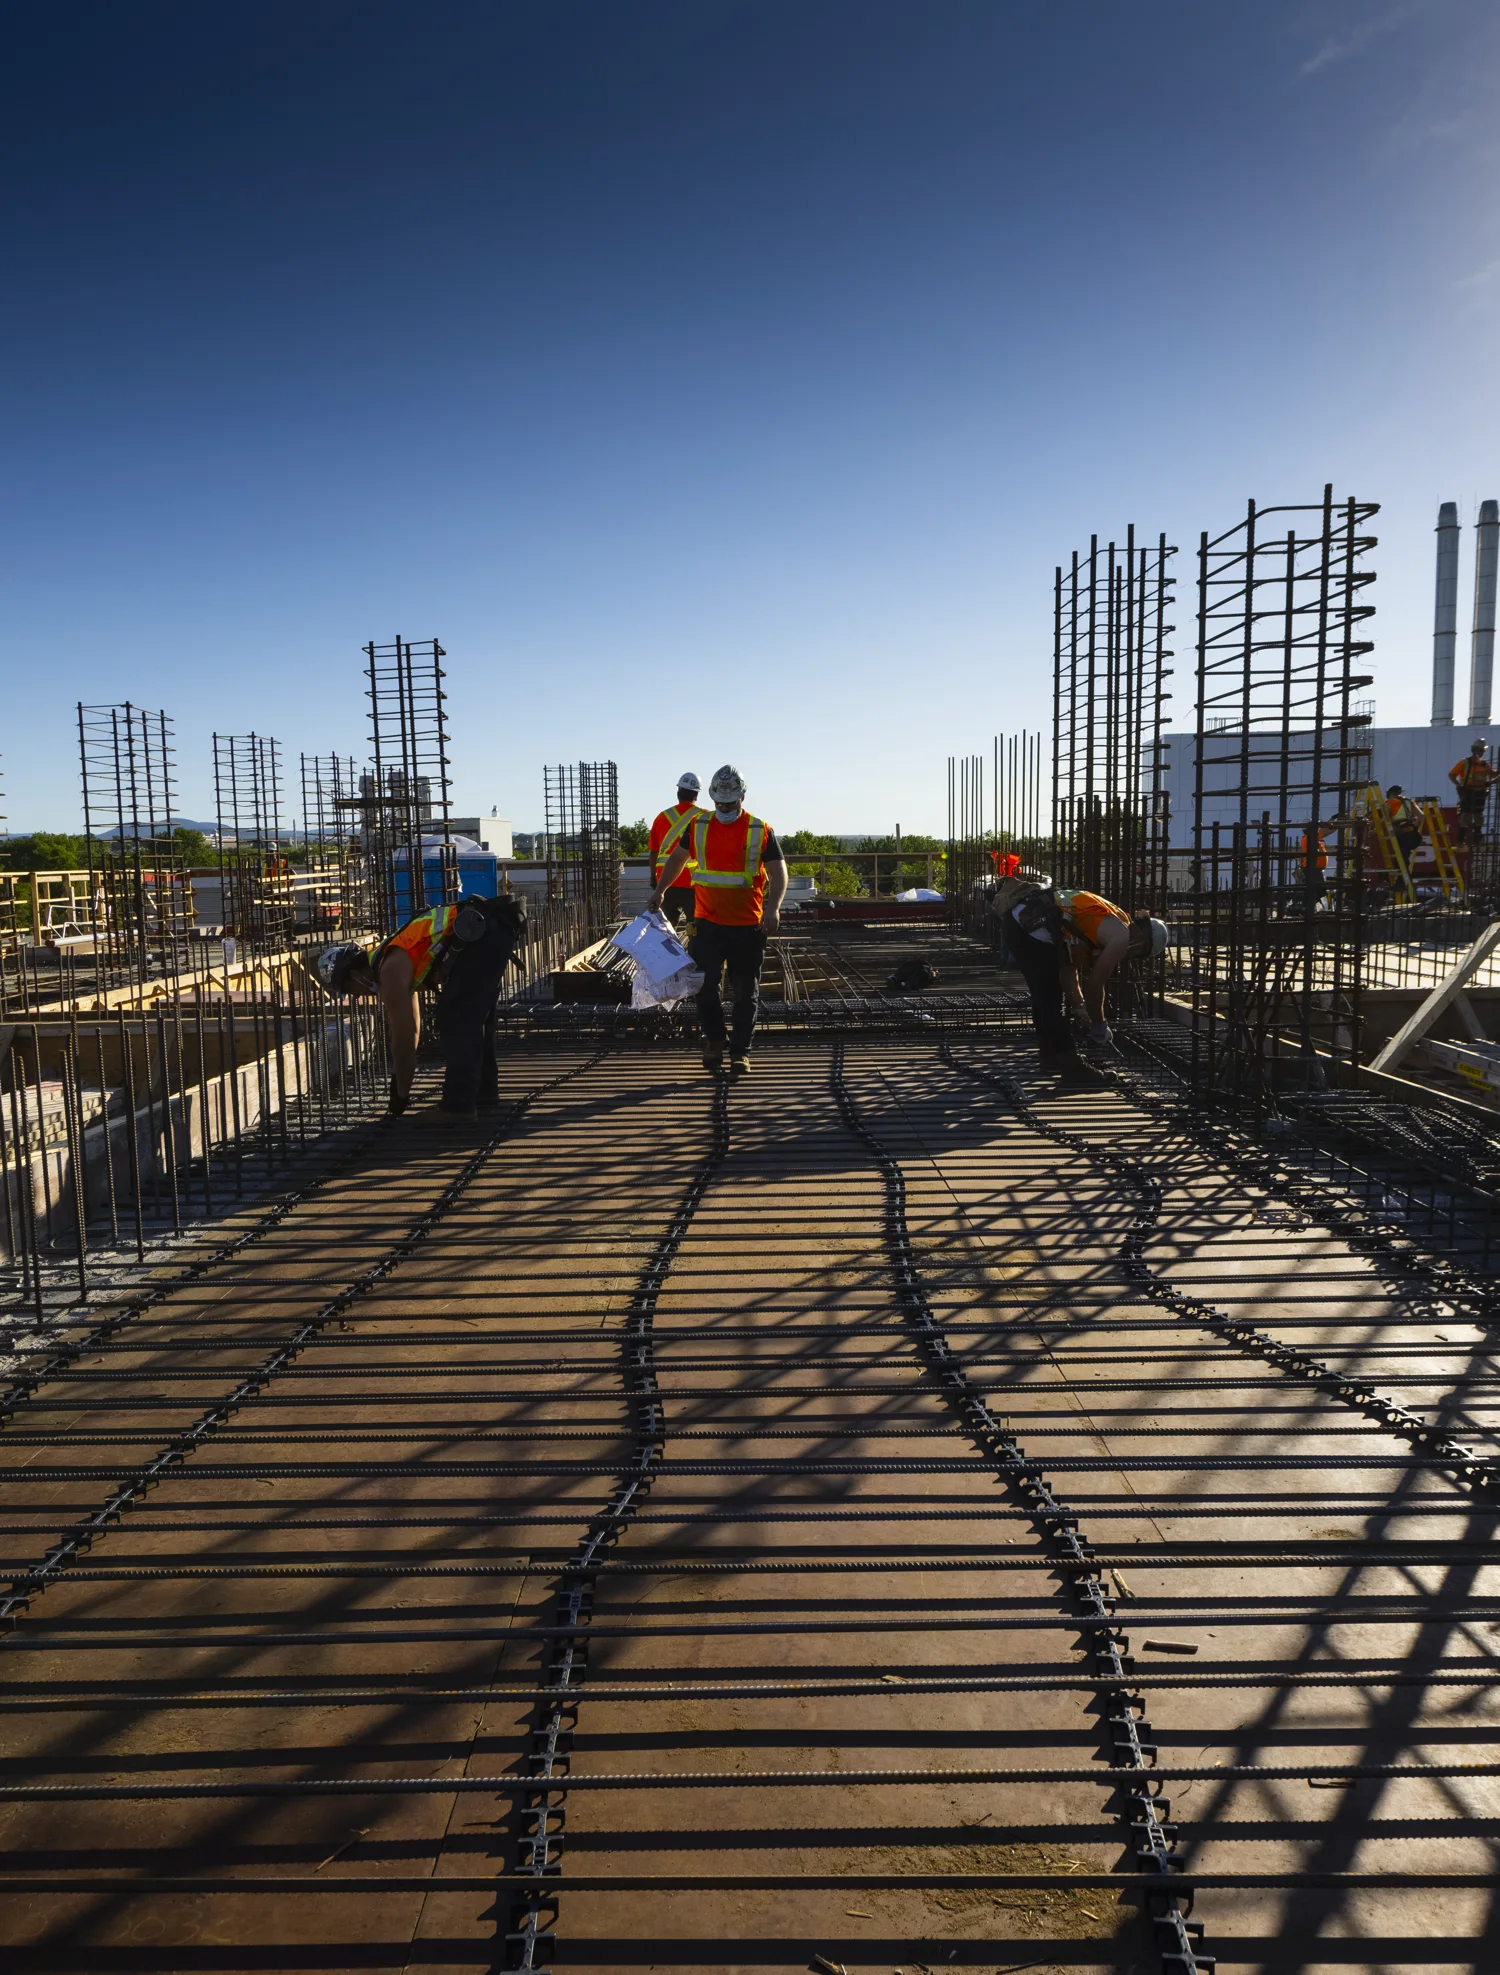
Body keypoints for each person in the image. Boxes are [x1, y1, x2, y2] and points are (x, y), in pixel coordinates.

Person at [316, 892, 527, 1123]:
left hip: (482, 930)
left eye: (349, 990)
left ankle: (458, 1107)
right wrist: (400, 1088)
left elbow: (404, 1044)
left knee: (456, 1017)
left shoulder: (389, 972)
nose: (355, 996)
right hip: (490, 929)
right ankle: (483, 1094)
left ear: (355, 975)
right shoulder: (392, 958)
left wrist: (399, 1098)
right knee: (474, 1017)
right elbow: (413, 1030)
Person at [647, 764, 787, 1078]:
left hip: (747, 926)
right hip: (707, 923)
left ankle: (740, 1052)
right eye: (719, 804)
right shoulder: (698, 825)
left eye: (729, 803)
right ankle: (714, 1040)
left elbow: (779, 871)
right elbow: (677, 859)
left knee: (745, 993)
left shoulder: (759, 829)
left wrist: (773, 908)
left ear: (741, 798)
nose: (724, 809)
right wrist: (660, 890)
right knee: (704, 988)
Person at [994, 872, 1165, 1076]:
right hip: (1031, 925)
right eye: (1139, 954)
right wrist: (1099, 1025)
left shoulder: (1105, 921)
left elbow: (1068, 968)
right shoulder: (1121, 937)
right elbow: (1095, 985)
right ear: (1143, 941)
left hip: (1019, 923)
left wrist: (1079, 1006)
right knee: (1049, 997)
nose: (1132, 957)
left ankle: (1050, 1054)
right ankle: (1071, 1064)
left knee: (1045, 995)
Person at [649, 774, 705, 928]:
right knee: (695, 926)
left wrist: (654, 877)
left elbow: (654, 852)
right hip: (694, 881)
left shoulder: (661, 817)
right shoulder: (705, 818)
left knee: (666, 927)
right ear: (696, 795)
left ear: (678, 793)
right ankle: (693, 941)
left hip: (666, 882)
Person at [1449, 739, 1496, 849]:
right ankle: (1461, 840)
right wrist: (1458, 785)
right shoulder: (1465, 763)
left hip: (1480, 792)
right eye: (1481, 750)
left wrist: (1494, 778)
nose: (1482, 753)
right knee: (1465, 815)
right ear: (1475, 750)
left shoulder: (1484, 764)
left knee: (1479, 815)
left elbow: (1492, 774)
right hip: (1468, 791)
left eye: (1483, 751)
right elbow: (1452, 774)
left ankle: (1477, 839)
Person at [1385, 785, 1422, 874]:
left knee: (1401, 859)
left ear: (1390, 794)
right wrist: (1416, 828)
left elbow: (1386, 820)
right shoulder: (1410, 802)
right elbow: (1421, 816)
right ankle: (1404, 878)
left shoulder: (1389, 803)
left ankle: (1403, 878)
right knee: (1404, 856)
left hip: (1400, 833)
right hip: (1411, 833)